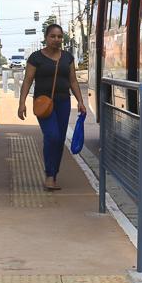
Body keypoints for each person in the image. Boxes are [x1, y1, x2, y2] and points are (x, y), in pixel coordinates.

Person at [18, 23, 86, 191]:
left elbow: (73, 81)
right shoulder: (36, 58)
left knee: (60, 139)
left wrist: (80, 101)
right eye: (53, 36)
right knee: (52, 136)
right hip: (43, 103)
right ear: (46, 38)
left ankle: (53, 175)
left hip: (63, 102)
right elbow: (28, 80)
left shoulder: (67, 57)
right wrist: (22, 103)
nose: (57, 39)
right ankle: (49, 174)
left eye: (59, 36)